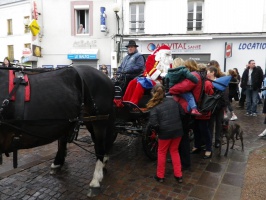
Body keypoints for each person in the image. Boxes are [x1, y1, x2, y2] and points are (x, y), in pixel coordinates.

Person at [147, 84, 184, 183]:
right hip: (177, 130)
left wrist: (158, 132)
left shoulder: (154, 106)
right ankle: (178, 175)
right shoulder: (173, 101)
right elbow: (182, 114)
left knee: (162, 152)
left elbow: (153, 123)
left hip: (165, 132)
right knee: (174, 151)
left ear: (153, 93)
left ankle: (160, 176)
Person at [169, 59, 202, 170]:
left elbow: (181, 88)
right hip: (185, 109)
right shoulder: (194, 75)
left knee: (182, 137)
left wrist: (171, 88)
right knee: (182, 136)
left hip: (185, 110)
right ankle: (180, 159)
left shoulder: (194, 76)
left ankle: (185, 163)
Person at [190, 66, 215, 159]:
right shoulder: (205, 82)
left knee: (203, 130)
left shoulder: (206, 83)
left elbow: (210, 95)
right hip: (197, 109)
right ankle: (198, 146)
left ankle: (208, 149)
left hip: (203, 110)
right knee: (197, 129)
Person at [207, 60, 227, 149]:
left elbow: (225, 94)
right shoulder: (207, 80)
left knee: (219, 123)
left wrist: (224, 105)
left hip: (219, 106)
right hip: (210, 106)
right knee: (210, 124)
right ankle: (209, 141)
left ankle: (218, 141)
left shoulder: (221, 79)